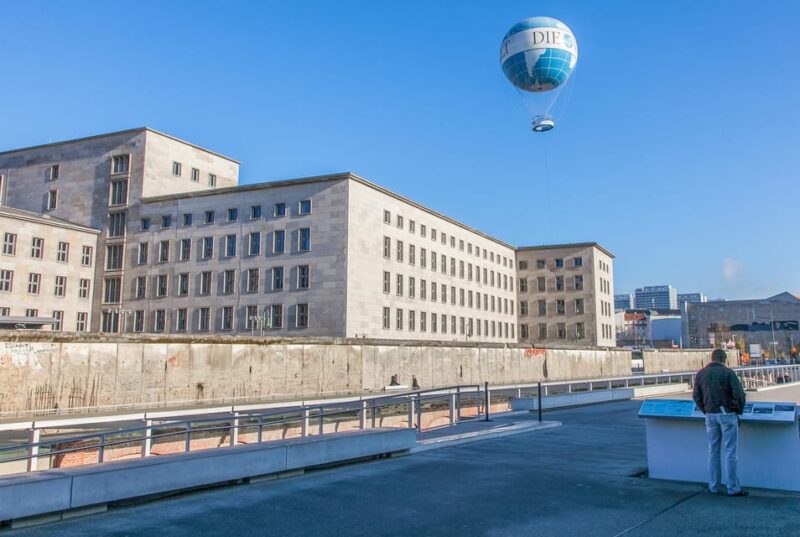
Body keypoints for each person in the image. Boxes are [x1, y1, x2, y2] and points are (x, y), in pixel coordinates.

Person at [692, 349, 748, 496]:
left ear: (712, 358)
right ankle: (733, 488)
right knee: (730, 452)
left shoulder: (701, 373)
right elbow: (739, 394)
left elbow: (696, 396)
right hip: (727, 415)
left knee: (713, 451)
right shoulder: (728, 373)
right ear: (724, 360)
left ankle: (713, 486)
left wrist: (706, 410)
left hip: (710, 415)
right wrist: (737, 410)